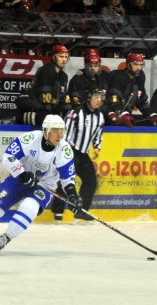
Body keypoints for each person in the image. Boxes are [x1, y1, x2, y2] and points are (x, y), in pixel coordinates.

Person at [0, 114, 82, 255]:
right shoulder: (30, 139)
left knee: (29, 207)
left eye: (62, 130)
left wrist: (73, 196)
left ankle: (6, 237)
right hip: (20, 178)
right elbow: (8, 156)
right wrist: (22, 173)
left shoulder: (64, 151)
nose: (59, 134)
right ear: (46, 131)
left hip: (44, 186)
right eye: (55, 130)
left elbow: (67, 179)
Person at [51, 88, 105, 225]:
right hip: (70, 152)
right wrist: (67, 149)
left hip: (83, 153)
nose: (99, 100)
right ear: (89, 98)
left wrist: (97, 147)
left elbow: (98, 135)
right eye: (96, 97)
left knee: (91, 181)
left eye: (101, 97)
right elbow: (65, 133)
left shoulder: (100, 116)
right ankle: (58, 211)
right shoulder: (75, 113)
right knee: (65, 180)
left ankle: (81, 211)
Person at [15, 43, 71, 126]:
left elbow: (63, 98)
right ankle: (15, 119)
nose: (64, 60)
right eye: (61, 56)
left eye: (66, 57)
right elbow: (45, 99)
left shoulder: (64, 76)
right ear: (53, 57)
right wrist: (53, 116)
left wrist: (69, 114)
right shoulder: (46, 71)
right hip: (33, 104)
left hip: (46, 107)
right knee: (46, 118)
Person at [104, 52, 149, 127]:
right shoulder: (118, 77)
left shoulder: (139, 80)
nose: (139, 68)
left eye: (141, 65)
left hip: (126, 118)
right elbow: (114, 101)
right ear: (128, 64)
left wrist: (152, 114)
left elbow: (142, 102)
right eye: (135, 64)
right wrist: (124, 114)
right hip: (111, 119)